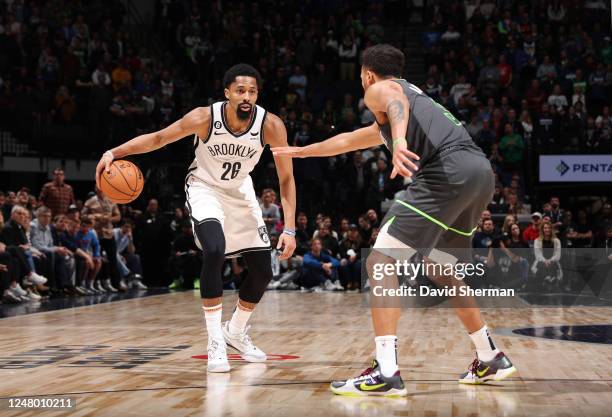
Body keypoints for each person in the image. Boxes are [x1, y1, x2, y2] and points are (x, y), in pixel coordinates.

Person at [273, 44, 515, 396]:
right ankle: (489, 355)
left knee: (381, 261)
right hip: (479, 174)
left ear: (368, 74)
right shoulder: (414, 102)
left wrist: (400, 141)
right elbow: (350, 140)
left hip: (446, 173)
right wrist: (303, 151)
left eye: (361, 76)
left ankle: (386, 370)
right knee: (441, 269)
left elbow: (394, 102)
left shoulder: (383, 90)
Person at [96, 64, 297, 373]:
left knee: (262, 270)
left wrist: (291, 228)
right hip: (204, 187)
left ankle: (236, 331)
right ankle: (215, 339)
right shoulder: (204, 118)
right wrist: (114, 152)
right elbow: (159, 138)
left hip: (241, 191)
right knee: (214, 249)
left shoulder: (271, 125)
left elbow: (286, 179)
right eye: (240, 90)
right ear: (227, 92)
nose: (247, 97)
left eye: (252, 91)